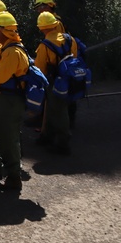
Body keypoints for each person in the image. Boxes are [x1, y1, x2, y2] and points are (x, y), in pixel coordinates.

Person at [0, 11, 28, 191]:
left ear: (5, 31)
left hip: (9, 101)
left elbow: (0, 76)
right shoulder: (4, 48)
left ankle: (13, 176)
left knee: (8, 138)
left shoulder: (12, 51)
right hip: (0, 98)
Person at [34, 12, 74, 154]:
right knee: (55, 109)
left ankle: (63, 143)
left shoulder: (45, 45)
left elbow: (40, 69)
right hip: (70, 79)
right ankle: (49, 136)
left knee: (59, 110)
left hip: (54, 82)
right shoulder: (69, 39)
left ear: (42, 28)